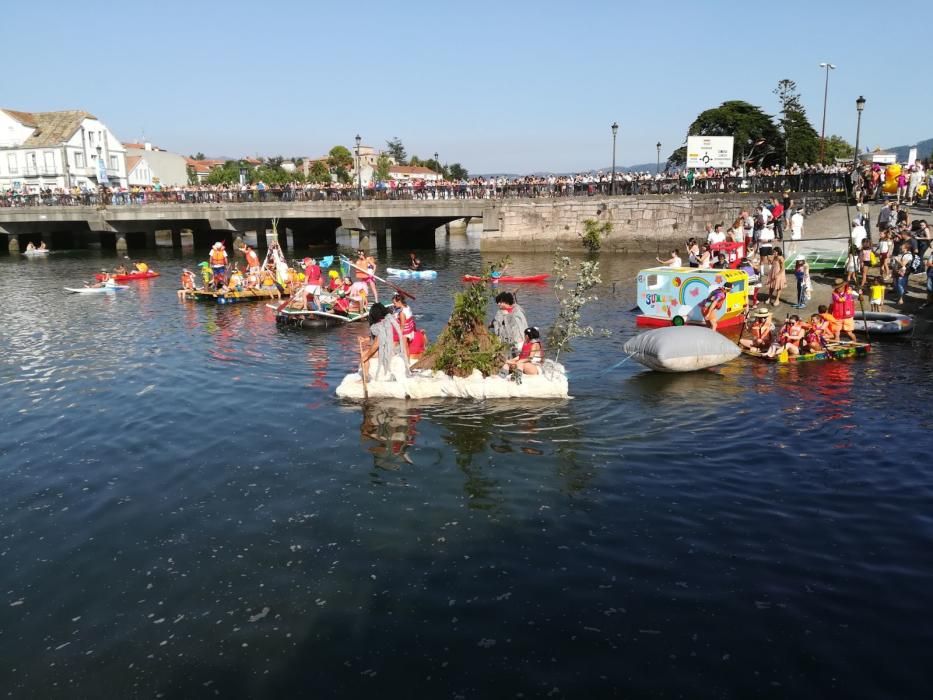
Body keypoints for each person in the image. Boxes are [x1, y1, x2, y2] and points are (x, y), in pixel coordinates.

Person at [359, 302, 408, 381]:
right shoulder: (390, 319)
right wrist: (366, 339)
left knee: (364, 354)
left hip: (391, 350)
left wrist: (366, 357)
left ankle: (365, 378)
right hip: (396, 347)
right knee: (368, 351)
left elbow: (376, 344)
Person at [489, 291, 528, 356]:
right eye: (498, 302)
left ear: (506, 302)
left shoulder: (517, 312)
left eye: (500, 302)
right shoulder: (500, 313)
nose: (498, 304)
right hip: (509, 342)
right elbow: (496, 323)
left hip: (519, 340)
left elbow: (522, 325)